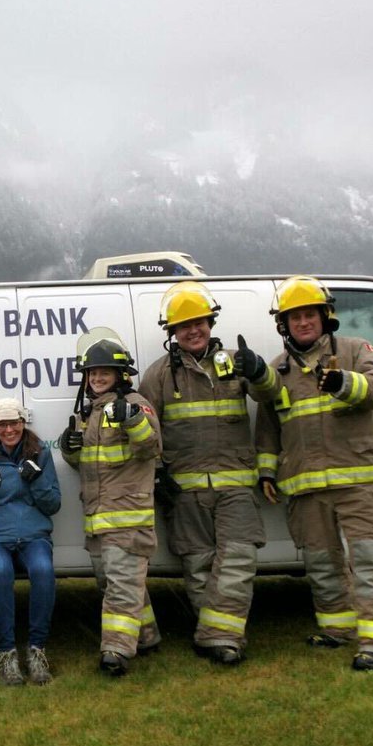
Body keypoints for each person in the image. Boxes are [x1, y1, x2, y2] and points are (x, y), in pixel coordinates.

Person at [255, 275, 373, 671]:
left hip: (359, 480)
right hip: (307, 486)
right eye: (294, 317)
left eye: (310, 315)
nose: (303, 322)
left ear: (325, 316)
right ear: (283, 325)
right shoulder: (278, 370)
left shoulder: (355, 351)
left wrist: (343, 383)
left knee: (370, 561)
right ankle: (337, 629)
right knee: (322, 564)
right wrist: (267, 473)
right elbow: (269, 427)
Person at [140, 282, 277, 666]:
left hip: (235, 486)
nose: (192, 331)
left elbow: (272, 395)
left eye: (198, 322)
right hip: (184, 492)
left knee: (237, 560)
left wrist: (260, 371)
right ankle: (217, 638)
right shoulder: (158, 376)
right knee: (198, 567)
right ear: (173, 332)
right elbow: (146, 430)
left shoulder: (236, 362)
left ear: (210, 322)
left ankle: (218, 635)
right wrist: (156, 473)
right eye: (183, 326)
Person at [59, 329, 162, 676]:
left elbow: (151, 448)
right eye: (92, 372)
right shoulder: (91, 414)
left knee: (120, 585)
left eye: (104, 371)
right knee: (118, 583)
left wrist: (132, 421)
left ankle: (116, 651)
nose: (97, 377)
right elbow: (87, 466)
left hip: (127, 518)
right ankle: (146, 636)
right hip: (99, 519)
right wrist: (70, 448)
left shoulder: (135, 404)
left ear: (121, 375)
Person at [0, 397, 62, 686]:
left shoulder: (40, 452)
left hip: (32, 535)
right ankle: (7, 653)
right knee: (1, 570)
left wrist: (37, 481)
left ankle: (37, 650)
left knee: (43, 570)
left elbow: (53, 504)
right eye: (2, 424)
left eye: (14, 423)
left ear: (23, 422)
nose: (9, 430)